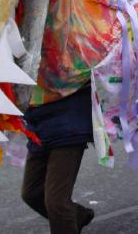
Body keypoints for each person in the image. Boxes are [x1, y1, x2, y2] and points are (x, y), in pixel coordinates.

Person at [21, 84, 95, 234]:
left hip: (68, 124)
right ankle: (77, 216)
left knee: (56, 202)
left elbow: (85, 69)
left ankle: (67, 221)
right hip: (38, 126)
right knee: (32, 193)